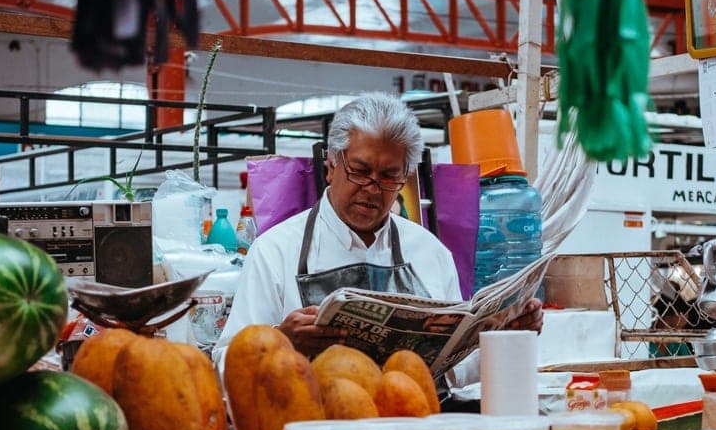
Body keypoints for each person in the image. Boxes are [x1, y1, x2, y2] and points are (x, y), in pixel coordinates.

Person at [215, 92, 543, 362]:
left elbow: (457, 369)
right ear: (331, 165)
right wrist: (280, 343)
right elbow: (224, 361)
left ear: (404, 178)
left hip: (414, 429)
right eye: (359, 170)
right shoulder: (275, 252)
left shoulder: (430, 253)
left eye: (389, 176)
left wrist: (506, 336)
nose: (372, 188)